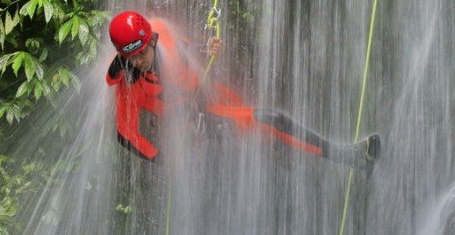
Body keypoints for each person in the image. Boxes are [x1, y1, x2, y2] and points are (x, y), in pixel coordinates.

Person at [105, 11, 380, 170]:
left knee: (268, 127)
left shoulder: (163, 37)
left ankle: (345, 156)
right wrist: (163, 160)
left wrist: (207, 48)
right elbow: (126, 134)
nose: (140, 60)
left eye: (143, 52)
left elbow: (184, 47)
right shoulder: (129, 87)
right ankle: (345, 157)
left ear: (151, 40)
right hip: (198, 124)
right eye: (133, 58)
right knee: (267, 121)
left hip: (211, 101)